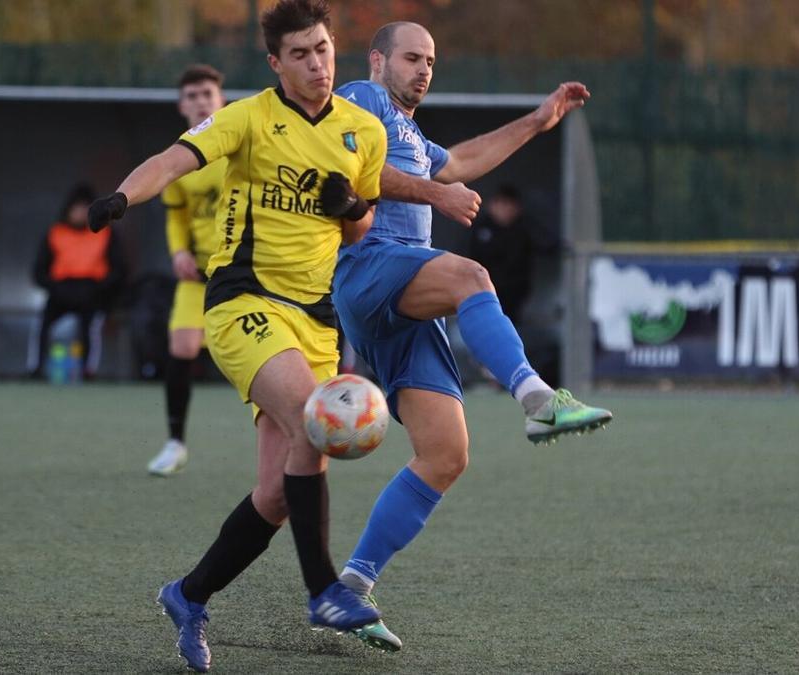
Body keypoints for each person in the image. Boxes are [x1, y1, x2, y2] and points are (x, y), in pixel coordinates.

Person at [86, 1, 387, 670]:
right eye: (301, 54)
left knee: (280, 492)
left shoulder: (364, 131)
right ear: (275, 64)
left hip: (315, 320)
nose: (317, 62)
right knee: (316, 419)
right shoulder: (248, 117)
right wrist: (121, 198)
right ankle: (324, 591)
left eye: (323, 48)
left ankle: (188, 595)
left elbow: (361, 227)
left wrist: (351, 209)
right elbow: (174, 158)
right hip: (243, 302)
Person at [331, 22, 613, 651]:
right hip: (369, 267)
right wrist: (437, 192)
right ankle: (538, 400)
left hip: (406, 297)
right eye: (411, 57)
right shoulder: (362, 99)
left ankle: (352, 585)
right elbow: (348, 176)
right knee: (470, 274)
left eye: (431, 60)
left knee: (446, 454)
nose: (424, 69)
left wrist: (540, 120)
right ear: (379, 60)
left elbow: (464, 160)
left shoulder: (413, 134)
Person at [146, 64, 227, 477]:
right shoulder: (177, 157)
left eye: (207, 94)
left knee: (259, 363)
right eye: (192, 96)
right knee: (180, 349)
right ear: (182, 105)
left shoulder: (236, 147)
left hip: (241, 275)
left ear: (221, 101)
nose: (200, 102)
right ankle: (175, 442)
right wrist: (178, 252)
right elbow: (176, 216)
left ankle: (289, 442)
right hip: (198, 277)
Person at [29, 183, 126, 381]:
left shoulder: (105, 233)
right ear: (68, 209)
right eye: (77, 208)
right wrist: (53, 287)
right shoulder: (56, 233)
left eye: (85, 209)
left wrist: (100, 289)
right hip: (60, 290)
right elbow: (39, 270)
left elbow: (119, 270)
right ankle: (36, 369)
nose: (80, 213)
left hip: (91, 290)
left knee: (90, 327)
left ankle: (88, 371)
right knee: (41, 324)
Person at [468, 184, 535, 323]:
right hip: (483, 294)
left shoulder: (523, 230)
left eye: (510, 205)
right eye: (502, 204)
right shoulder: (479, 229)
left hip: (514, 295)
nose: (506, 210)